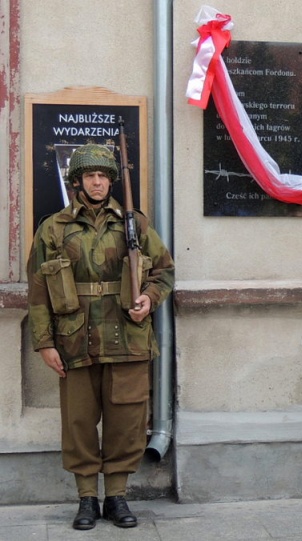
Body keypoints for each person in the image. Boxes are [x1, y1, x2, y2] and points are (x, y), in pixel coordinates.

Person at [27, 144, 175, 530]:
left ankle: (117, 497)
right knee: (78, 422)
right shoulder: (54, 228)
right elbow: (38, 289)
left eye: (104, 175)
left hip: (127, 337)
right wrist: (44, 342)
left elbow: (164, 271)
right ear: (76, 181)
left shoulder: (134, 224)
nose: (97, 182)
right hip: (75, 339)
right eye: (90, 176)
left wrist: (148, 297)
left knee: (126, 421)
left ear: (111, 179)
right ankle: (87, 499)